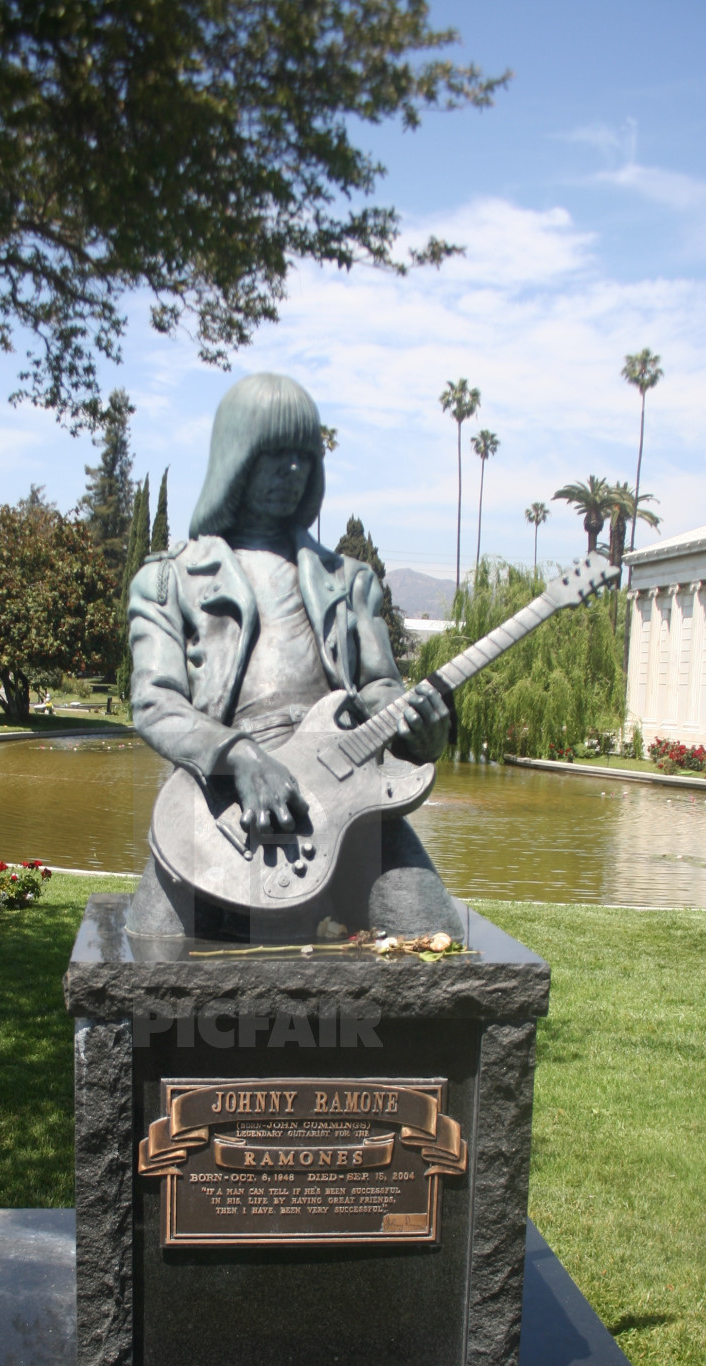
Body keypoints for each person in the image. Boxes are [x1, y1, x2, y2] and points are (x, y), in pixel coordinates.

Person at [126, 372, 462, 943]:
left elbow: (381, 688)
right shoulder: (168, 578)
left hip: (345, 791)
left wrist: (422, 730)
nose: (292, 472)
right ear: (237, 458)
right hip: (218, 800)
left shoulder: (349, 580)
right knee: (153, 944)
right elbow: (155, 702)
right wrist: (240, 756)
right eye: (273, 456)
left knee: (430, 927)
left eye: (303, 457)